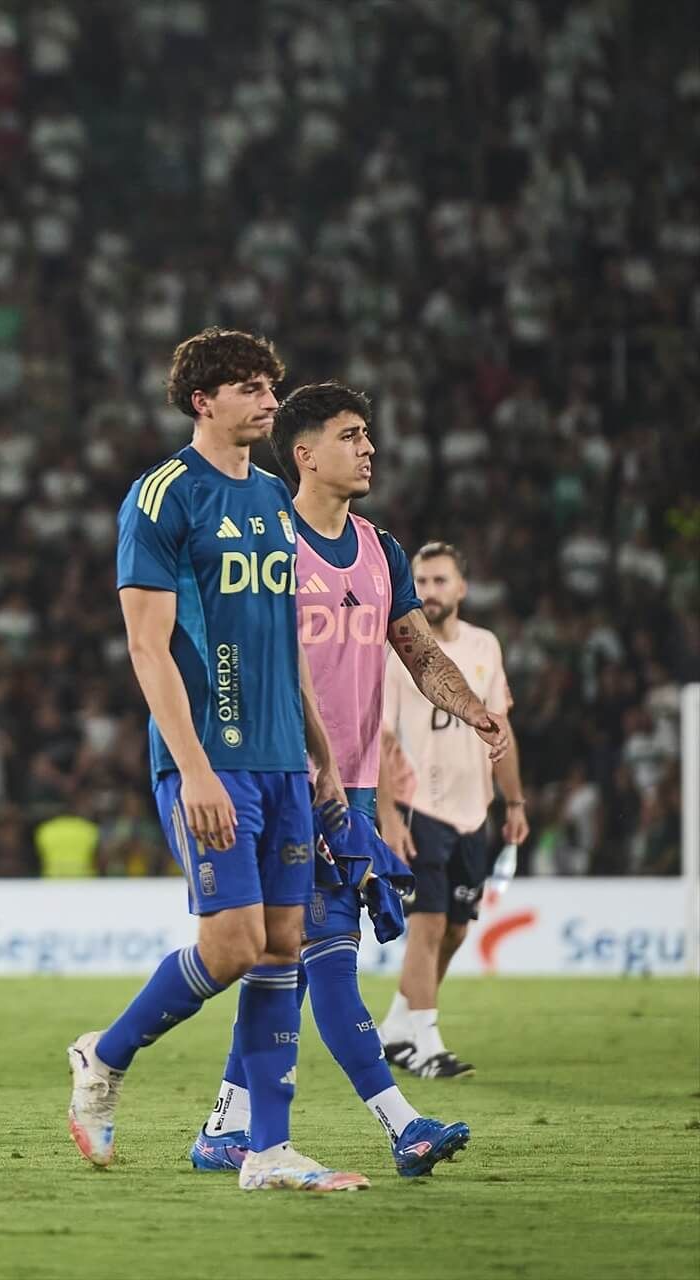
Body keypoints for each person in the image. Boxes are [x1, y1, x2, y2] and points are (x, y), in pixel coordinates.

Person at [69, 327, 364, 1192]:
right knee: (231, 945)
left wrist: (322, 755)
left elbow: (286, 642)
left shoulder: (277, 498)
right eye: (249, 386)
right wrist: (194, 768)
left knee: (284, 942)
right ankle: (105, 1055)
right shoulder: (163, 497)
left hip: (282, 759)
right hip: (210, 758)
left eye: (272, 384)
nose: (270, 398)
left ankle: (268, 1153)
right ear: (204, 401)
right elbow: (147, 646)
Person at [191, 382, 506, 1177]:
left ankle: (226, 1127)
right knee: (325, 955)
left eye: (368, 435)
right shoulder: (266, 540)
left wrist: (472, 709)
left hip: (352, 784)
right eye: (351, 435)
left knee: (286, 966)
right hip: (282, 777)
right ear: (304, 453)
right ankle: (401, 1126)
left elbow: (417, 649)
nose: (368, 448)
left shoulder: (380, 548)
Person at [377, 542, 528, 1077]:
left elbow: (500, 728)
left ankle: (396, 1026)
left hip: (473, 810)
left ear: (462, 588)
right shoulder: (399, 653)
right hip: (421, 806)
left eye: (441, 581)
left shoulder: (485, 646)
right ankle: (427, 1044)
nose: (428, 591)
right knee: (428, 924)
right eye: (419, 581)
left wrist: (513, 801)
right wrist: (389, 815)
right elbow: (382, 737)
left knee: (457, 929)